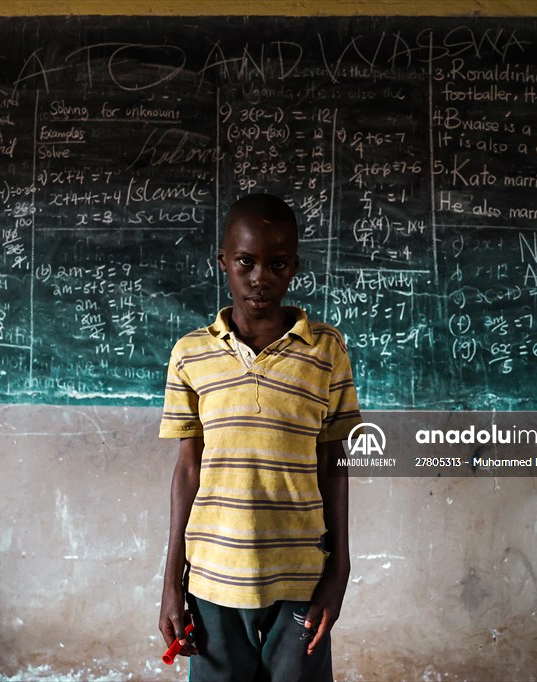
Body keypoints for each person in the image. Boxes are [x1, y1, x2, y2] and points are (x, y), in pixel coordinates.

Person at [158, 193, 363, 681]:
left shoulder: (325, 350)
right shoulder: (191, 354)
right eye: (246, 262)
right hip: (212, 576)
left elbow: (333, 464)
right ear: (224, 262)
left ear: (294, 267)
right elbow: (188, 469)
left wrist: (339, 572)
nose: (260, 277)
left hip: (300, 575)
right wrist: (171, 582)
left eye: (277, 264)